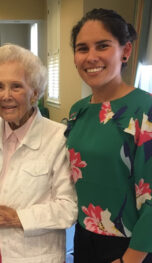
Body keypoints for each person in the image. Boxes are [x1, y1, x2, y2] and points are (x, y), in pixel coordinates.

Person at [0, 44, 76, 262]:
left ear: (34, 92)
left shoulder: (59, 139)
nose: (6, 95)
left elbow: (69, 208)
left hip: (31, 252)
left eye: (16, 86)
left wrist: (17, 217)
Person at [66, 8, 152, 263]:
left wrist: (131, 259)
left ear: (125, 51)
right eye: (82, 48)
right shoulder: (77, 111)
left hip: (132, 245)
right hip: (83, 236)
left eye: (102, 46)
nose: (91, 57)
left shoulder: (144, 109)